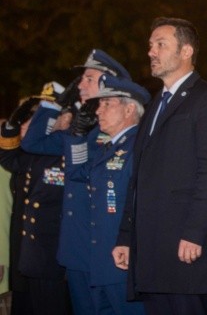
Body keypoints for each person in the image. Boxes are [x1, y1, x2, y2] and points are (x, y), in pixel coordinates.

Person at [113, 17, 207, 315]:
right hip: (153, 251)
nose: (151, 52)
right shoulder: (156, 103)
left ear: (186, 51)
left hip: (186, 249)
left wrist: (194, 232)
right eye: (151, 45)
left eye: (161, 44)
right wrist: (127, 237)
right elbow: (139, 176)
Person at [22, 50, 131, 315]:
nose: (81, 85)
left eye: (89, 79)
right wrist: (55, 104)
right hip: (77, 248)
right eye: (80, 80)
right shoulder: (81, 130)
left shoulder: (120, 132)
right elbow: (32, 142)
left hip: (109, 248)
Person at [66, 75, 150, 315]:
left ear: (130, 109)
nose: (98, 111)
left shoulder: (139, 146)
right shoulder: (108, 149)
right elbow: (76, 173)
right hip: (101, 262)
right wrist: (77, 135)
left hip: (123, 262)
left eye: (107, 104)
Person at [0, 84, 72, 315]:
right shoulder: (34, 154)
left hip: (51, 260)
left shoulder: (65, 151)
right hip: (28, 258)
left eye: (40, 115)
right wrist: (11, 126)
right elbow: (9, 157)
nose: (31, 122)